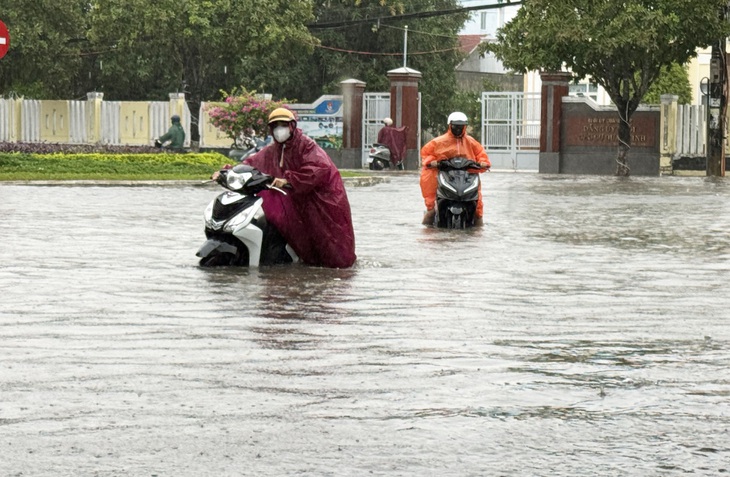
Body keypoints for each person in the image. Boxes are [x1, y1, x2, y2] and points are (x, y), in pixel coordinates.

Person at [212, 107, 356, 269]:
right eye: (275, 126)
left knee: (327, 238)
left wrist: (288, 180)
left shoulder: (307, 146)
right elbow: (251, 163)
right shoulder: (273, 150)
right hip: (294, 197)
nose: (280, 130)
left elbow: (318, 168)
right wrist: (229, 171)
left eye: (283, 125)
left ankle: (334, 270)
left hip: (320, 200)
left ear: (292, 126)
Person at [419, 111, 490, 226]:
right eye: (455, 125)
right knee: (432, 209)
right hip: (445, 175)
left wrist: (483, 163)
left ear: (465, 127)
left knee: (478, 210)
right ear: (450, 125)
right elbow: (426, 153)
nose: (458, 128)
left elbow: (481, 154)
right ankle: (427, 233)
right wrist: (433, 162)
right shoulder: (439, 141)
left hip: (467, 177)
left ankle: (478, 236)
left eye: (461, 126)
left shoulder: (471, 142)